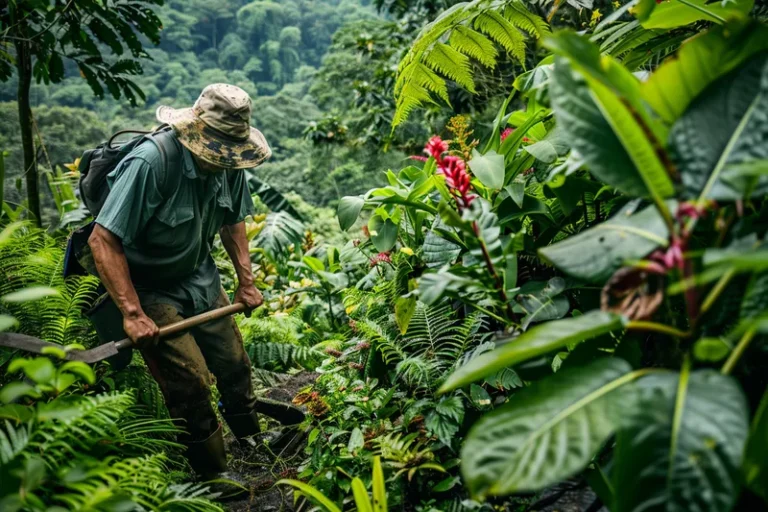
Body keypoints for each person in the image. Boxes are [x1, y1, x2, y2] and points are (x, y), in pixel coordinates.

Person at [87, 84, 279, 491]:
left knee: (232, 360)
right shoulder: (151, 163)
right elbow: (102, 240)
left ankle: (250, 439)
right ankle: (210, 471)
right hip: (149, 286)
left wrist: (246, 281)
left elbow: (233, 221)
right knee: (189, 378)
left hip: (199, 274)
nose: (222, 160)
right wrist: (133, 314)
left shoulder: (229, 163)